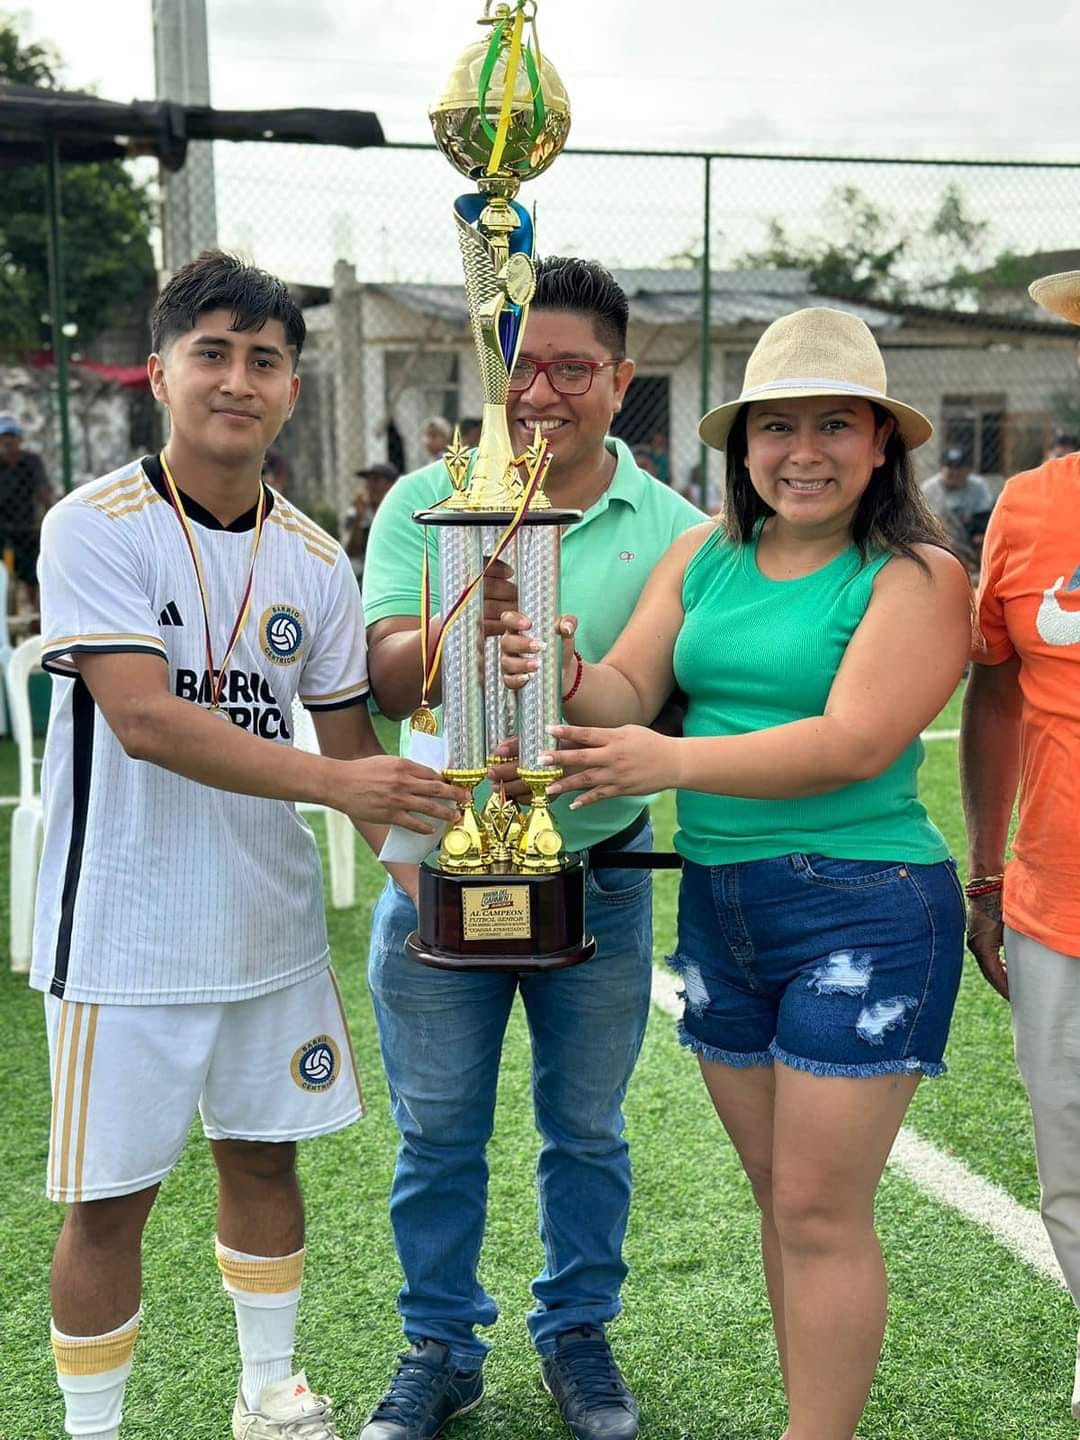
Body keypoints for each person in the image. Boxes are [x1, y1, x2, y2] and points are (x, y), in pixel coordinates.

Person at [503, 307, 971, 1440]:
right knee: (783, 1202)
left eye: (834, 425)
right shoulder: (706, 553)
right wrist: (561, 668)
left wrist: (666, 761)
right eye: (776, 427)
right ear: (743, 444)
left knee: (816, 1208)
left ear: (881, 442)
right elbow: (627, 689)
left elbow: (854, 742)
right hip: (723, 907)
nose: (802, 452)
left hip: (866, 909)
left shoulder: (918, 574)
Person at [32, 250, 464, 1440]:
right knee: (109, 1203)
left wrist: (447, 894)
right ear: (160, 373)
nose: (238, 380)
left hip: (267, 930)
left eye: (264, 360)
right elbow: (147, 719)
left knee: (266, 1162)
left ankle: (269, 1389)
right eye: (212, 354)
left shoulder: (316, 559)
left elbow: (355, 749)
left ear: (291, 389)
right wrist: (339, 780)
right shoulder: (93, 526)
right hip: (124, 933)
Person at [359, 257, 704, 1440]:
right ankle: (440, 1346)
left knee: (588, 1130)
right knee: (436, 1130)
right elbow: (386, 674)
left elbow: (672, 707)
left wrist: (561, 673)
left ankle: (577, 1335)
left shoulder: (679, 531)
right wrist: (468, 611)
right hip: (434, 864)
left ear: (620, 375)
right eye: (521, 369)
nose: (542, 393)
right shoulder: (426, 501)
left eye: (571, 369)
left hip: (595, 874)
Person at [961, 266, 1080, 1424]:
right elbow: (994, 694)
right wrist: (986, 875)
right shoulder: (1031, 507)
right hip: (1056, 904)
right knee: (1072, 1175)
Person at [0, 412, 53, 609]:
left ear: (19, 440)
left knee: (32, 570)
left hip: (27, 527)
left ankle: (36, 609)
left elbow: (43, 491)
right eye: (3, 440)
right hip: (1, 527)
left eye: (12, 438)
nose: (8, 445)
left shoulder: (31, 462)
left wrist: (49, 514)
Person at [921, 444, 995, 567]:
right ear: (942, 468)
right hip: (940, 538)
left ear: (968, 470)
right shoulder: (929, 488)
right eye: (950, 468)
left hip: (969, 535)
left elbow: (983, 517)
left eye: (959, 468)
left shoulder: (978, 486)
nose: (955, 472)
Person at [344, 462, 399, 581]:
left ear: (391, 485)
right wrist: (359, 517)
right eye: (368, 481)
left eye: (376, 480)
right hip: (365, 572)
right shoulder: (356, 511)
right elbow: (352, 552)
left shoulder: (399, 511)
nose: (370, 486)